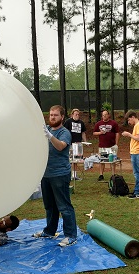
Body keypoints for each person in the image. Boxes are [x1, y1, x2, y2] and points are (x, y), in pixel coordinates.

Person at [34, 105, 78, 247]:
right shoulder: (45, 129)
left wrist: (50, 136)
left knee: (64, 206)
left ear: (62, 117)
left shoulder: (64, 132)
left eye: (55, 115)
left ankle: (71, 235)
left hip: (60, 174)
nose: (52, 117)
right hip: (46, 174)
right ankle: (49, 231)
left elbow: (60, 146)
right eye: (51, 115)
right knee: (49, 206)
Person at [121, 111, 139, 199]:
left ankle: (138, 192)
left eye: (129, 120)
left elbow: (138, 138)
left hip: (136, 152)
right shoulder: (138, 125)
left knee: (137, 173)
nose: (129, 122)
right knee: (137, 172)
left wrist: (129, 134)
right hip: (135, 152)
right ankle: (138, 191)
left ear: (133, 117)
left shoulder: (138, 125)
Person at [93, 110, 120, 181]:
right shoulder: (98, 124)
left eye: (105, 115)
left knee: (112, 161)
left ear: (108, 115)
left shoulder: (113, 123)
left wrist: (116, 144)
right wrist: (100, 133)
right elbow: (94, 133)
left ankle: (113, 174)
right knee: (102, 161)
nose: (104, 116)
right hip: (103, 146)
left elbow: (117, 133)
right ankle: (101, 175)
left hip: (111, 146)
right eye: (103, 115)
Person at [64, 109, 87, 181]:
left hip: (78, 144)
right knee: (70, 160)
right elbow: (64, 131)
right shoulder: (68, 122)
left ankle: (74, 175)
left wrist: (85, 141)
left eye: (78, 114)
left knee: (76, 160)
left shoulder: (81, 123)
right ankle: (67, 174)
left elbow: (83, 133)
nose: (77, 116)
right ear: (72, 115)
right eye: (76, 114)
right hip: (70, 144)